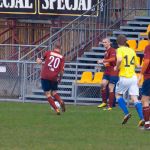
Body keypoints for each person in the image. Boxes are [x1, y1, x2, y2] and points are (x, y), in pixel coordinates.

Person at [114, 34, 144, 126]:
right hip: (133, 77)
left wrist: (116, 67)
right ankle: (142, 118)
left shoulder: (119, 50)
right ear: (126, 41)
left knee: (118, 95)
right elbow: (138, 65)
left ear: (118, 43)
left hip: (124, 76)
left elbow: (119, 60)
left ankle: (127, 113)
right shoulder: (131, 50)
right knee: (134, 98)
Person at [36, 42, 65, 115]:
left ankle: (56, 109)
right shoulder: (62, 57)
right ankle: (60, 101)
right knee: (54, 92)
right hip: (54, 77)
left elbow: (39, 62)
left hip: (45, 75)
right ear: (60, 48)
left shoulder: (48, 53)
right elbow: (61, 71)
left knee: (48, 94)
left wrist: (37, 60)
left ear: (54, 47)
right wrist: (60, 78)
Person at [97, 38, 119, 110]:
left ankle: (110, 106)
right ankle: (104, 102)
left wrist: (103, 60)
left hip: (113, 71)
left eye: (105, 42)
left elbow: (113, 59)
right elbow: (107, 62)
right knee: (102, 84)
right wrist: (103, 64)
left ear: (109, 43)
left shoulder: (112, 50)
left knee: (111, 88)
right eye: (103, 42)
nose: (104, 43)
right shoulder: (106, 52)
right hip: (107, 71)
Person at [138, 31, 150, 130]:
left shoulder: (148, 47)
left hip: (148, 77)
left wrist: (141, 74)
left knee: (144, 100)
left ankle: (147, 125)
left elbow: (146, 61)